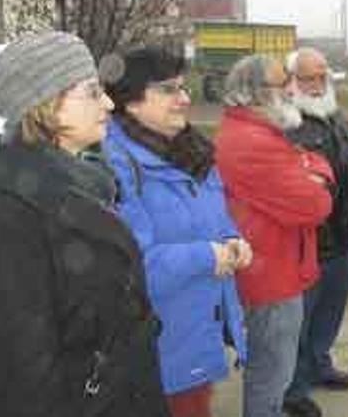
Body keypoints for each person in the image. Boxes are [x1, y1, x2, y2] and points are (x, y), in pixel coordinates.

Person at [0, 32, 169, 416]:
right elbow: (23, 385)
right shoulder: (7, 222)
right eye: (92, 92)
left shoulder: (87, 182)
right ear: (44, 103)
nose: (108, 103)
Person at [101, 46, 250, 417]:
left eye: (184, 88)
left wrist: (231, 239)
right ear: (130, 102)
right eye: (169, 90)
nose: (185, 99)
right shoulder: (113, 167)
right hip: (157, 347)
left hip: (197, 330)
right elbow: (131, 266)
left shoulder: (191, 150)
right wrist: (209, 255)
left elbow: (214, 217)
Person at [214, 55, 334, 417]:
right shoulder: (252, 141)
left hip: (273, 269)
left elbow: (314, 162)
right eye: (282, 85)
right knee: (271, 372)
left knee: (271, 370)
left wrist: (311, 170)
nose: (292, 90)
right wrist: (312, 176)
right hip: (270, 280)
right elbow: (316, 205)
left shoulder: (259, 131)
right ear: (254, 93)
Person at [282, 48, 348, 417]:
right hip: (308, 242)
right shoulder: (285, 122)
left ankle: (319, 364)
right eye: (307, 78)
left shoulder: (336, 117)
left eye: (321, 77)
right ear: (292, 81)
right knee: (299, 320)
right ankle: (294, 388)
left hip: (342, 236)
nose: (316, 85)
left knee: (330, 312)